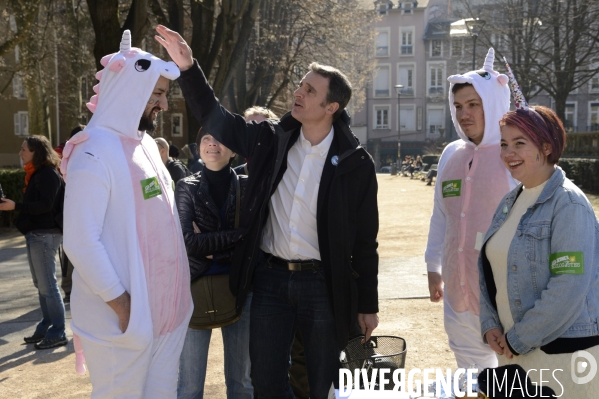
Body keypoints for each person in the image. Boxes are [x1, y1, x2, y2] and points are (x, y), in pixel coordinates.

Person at [156, 25, 380, 399]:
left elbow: (365, 240)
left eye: (310, 90)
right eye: (300, 84)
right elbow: (217, 118)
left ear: (331, 107)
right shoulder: (270, 139)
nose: (298, 91)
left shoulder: (356, 164)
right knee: (266, 380)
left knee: (323, 380)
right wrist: (188, 68)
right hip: (270, 281)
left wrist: (368, 305)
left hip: (322, 285)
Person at [61, 30, 192, 398]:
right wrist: (123, 306)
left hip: (168, 319)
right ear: (130, 92)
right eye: (158, 95)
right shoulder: (93, 152)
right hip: (127, 325)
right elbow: (80, 241)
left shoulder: (147, 144)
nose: (164, 106)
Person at [479, 63, 599, 397]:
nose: (509, 153)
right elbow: (488, 269)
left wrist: (517, 339)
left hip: (561, 358)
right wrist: (490, 325)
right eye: (504, 144)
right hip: (514, 357)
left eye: (519, 143)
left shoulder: (569, 205)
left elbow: (569, 286)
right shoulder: (509, 202)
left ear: (546, 147)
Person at [424, 48, 517, 369]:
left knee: (512, 380)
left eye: (474, 105)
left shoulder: (515, 157)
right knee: (472, 378)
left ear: (493, 104)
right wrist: (433, 265)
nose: (464, 114)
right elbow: (441, 215)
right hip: (457, 295)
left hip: (505, 302)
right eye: (458, 106)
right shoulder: (451, 154)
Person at [175, 129, 252, 399]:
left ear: (234, 151)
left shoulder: (247, 185)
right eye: (206, 138)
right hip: (194, 288)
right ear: (199, 148)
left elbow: (252, 241)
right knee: (189, 384)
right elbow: (188, 243)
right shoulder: (186, 186)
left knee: (241, 381)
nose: (212, 143)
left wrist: (213, 249)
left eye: (220, 138)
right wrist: (236, 236)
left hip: (241, 289)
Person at [0, 136, 67, 350]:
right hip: (37, 234)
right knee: (42, 285)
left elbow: (45, 205)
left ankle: (58, 331)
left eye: (24, 150)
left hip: (45, 235)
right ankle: (48, 324)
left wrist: (16, 206)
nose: (20, 153)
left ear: (36, 152)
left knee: (48, 285)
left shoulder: (47, 174)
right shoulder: (37, 173)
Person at [56, 125, 85, 303]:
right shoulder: (69, 160)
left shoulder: (65, 158)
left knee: (71, 255)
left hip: (69, 218)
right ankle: (69, 289)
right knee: (72, 256)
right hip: (71, 218)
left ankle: (70, 289)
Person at [233, 106, 277, 176]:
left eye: (260, 128)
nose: (253, 133)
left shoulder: (282, 172)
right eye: (248, 128)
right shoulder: (235, 176)